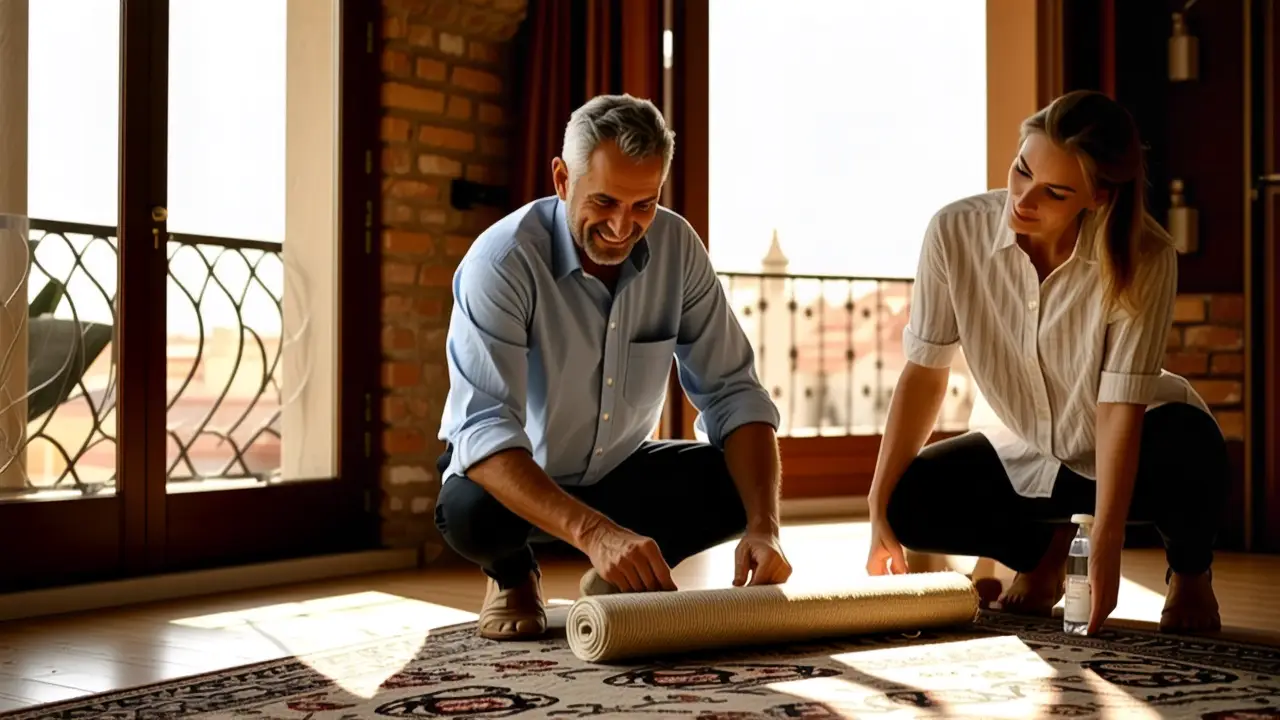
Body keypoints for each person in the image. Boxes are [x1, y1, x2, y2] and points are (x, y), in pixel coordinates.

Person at [864, 90, 1227, 635]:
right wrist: (876, 506)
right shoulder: (953, 231)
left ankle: (1192, 573)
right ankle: (1042, 552)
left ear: (1098, 197)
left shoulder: (1146, 256)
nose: (1024, 200)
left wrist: (1106, 550)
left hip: (1128, 445)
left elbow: (1119, 407)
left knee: (1194, 445)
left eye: (1054, 192)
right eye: (1021, 171)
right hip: (1026, 452)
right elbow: (924, 373)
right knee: (908, 502)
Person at [433, 93, 793, 641]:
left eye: (643, 205)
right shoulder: (501, 262)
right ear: (561, 179)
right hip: (517, 481)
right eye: (604, 201)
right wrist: (596, 533)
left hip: (619, 471)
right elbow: (482, 429)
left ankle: (621, 572)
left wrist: (767, 529)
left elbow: (734, 392)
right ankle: (511, 573)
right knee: (469, 514)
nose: (622, 227)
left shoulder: (678, 248)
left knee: (740, 486)